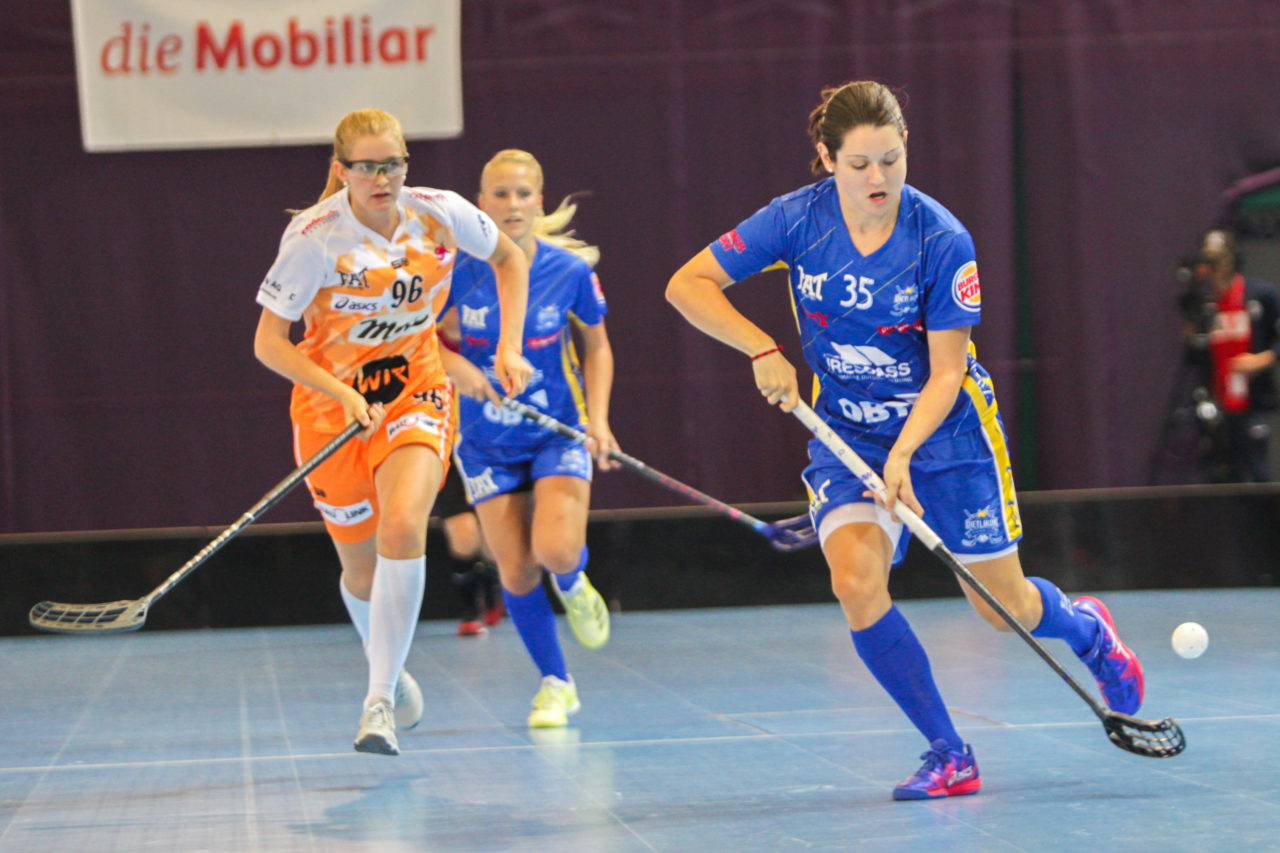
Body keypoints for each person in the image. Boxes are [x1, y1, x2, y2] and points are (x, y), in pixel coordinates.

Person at [666, 81, 1145, 800]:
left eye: (891, 159)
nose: (878, 178)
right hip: (845, 428)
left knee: (999, 607)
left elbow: (948, 371)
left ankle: (1086, 631)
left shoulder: (941, 238)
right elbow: (689, 283)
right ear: (826, 157)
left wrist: (901, 456)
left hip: (945, 432)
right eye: (859, 163)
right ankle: (949, 750)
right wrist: (760, 346)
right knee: (856, 582)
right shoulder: (796, 222)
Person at [254, 108, 531, 756]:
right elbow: (269, 344)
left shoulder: (439, 213)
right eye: (367, 166)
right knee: (359, 572)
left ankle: (376, 701)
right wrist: (342, 391)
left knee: (402, 525)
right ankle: (390, 667)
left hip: (416, 390)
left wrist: (510, 347)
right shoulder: (313, 237)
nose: (382, 178)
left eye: (394, 163)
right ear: (340, 170)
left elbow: (510, 258)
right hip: (332, 409)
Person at [438, 149, 617, 728]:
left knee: (557, 551)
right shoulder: (455, 272)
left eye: (522, 194)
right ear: (480, 203)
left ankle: (574, 582)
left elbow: (597, 346)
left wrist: (600, 421)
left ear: (539, 202)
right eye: (499, 194)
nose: (511, 205)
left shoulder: (568, 272)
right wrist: (454, 366)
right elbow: (419, 341)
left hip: (556, 433)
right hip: (486, 442)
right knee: (514, 572)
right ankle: (555, 683)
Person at [1180, 229, 1280, 482]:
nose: (1215, 266)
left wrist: (1263, 359)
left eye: (1219, 258)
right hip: (1217, 399)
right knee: (1220, 473)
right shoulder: (1203, 302)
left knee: (1257, 470)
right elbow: (1195, 357)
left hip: (1252, 398)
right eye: (1209, 259)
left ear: (1232, 258)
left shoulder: (1261, 295)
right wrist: (1192, 336)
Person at [433, 454, 504, 636]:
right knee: (463, 536)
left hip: (487, 448)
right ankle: (469, 611)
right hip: (449, 452)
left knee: (493, 541)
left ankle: (491, 586)